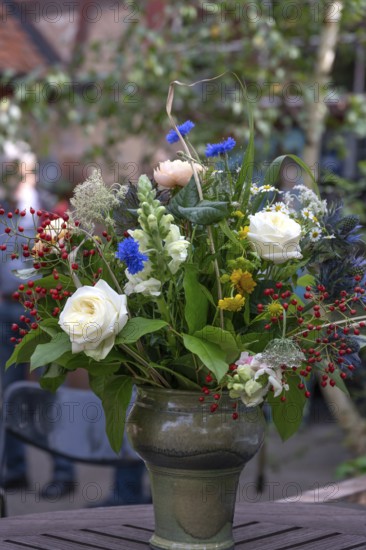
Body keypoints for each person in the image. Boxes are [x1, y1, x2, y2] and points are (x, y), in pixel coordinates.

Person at [0, 144, 75, 496]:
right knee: (8, 394)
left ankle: (63, 471)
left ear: (30, 168)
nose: (10, 172)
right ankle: (14, 469)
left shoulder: (49, 207)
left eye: (15, 166)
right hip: (3, 312)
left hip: (42, 310)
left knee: (51, 392)